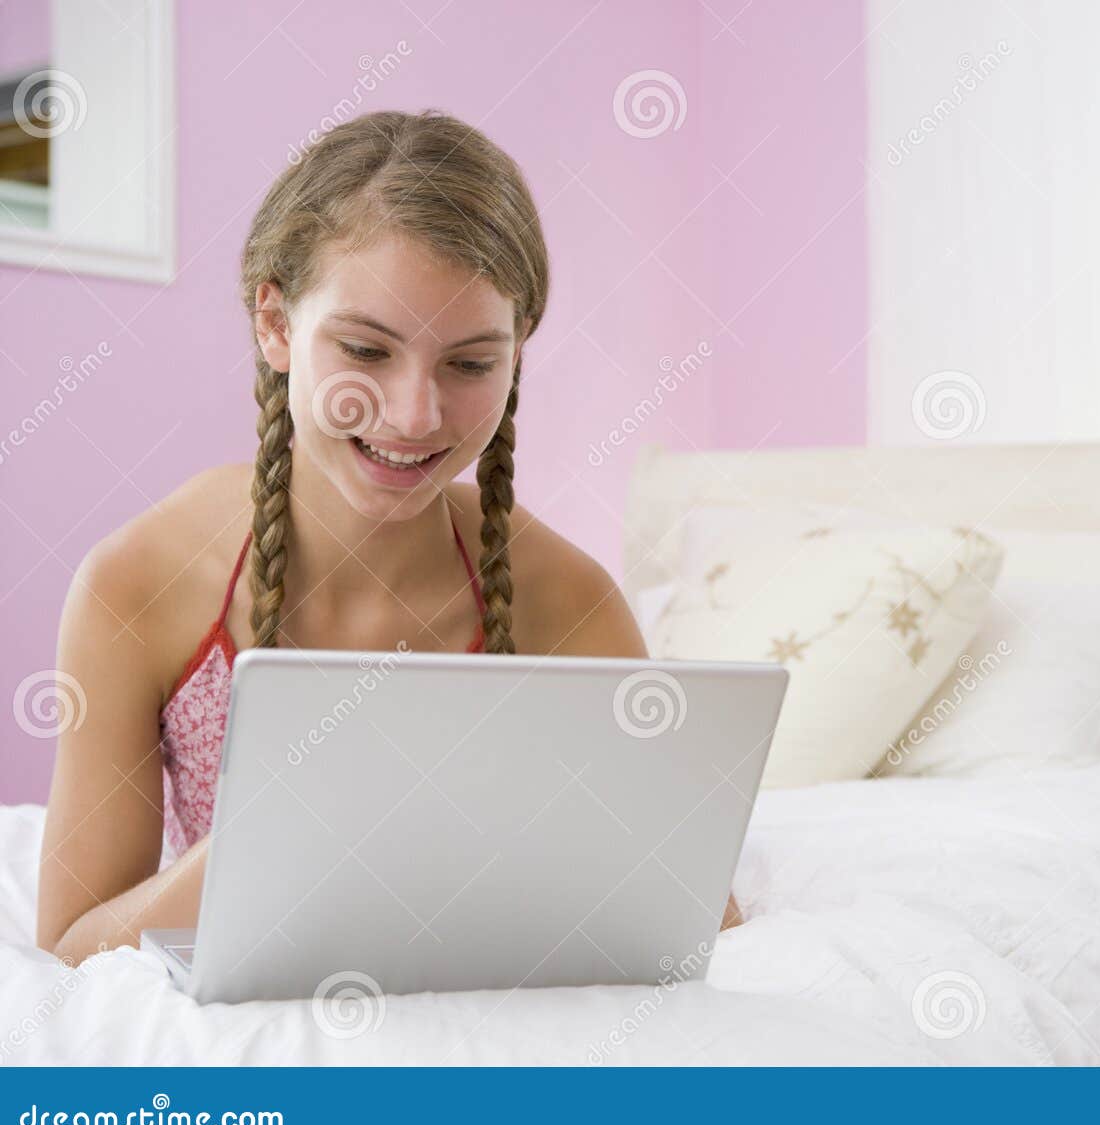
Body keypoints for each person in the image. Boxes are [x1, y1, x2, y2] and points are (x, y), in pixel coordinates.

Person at [37, 110, 740, 964]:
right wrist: (284, 833)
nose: (414, 415)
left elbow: (699, 911)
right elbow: (70, 947)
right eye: (367, 350)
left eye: (470, 363)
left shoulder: (564, 598)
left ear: (517, 351)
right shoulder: (137, 582)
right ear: (275, 325)